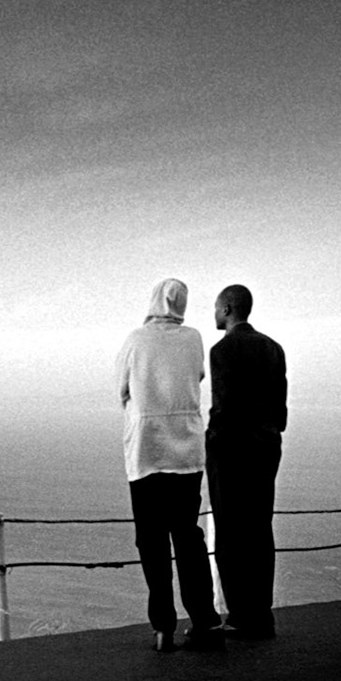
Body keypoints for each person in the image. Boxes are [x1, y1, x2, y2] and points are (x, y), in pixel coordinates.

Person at [116, 278, 223, 652]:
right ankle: (206, 619)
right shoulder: (194, 338)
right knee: (188, 536)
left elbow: (121, 388)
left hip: (146, 451)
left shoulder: (135, 339)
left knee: (152, 540)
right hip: (186, 450)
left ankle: (162, 626)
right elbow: (197, 377)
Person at [206, 284, 288, 638]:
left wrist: (211, 440)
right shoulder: (274, 348)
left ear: (226, 308)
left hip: (231, 448)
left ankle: (239, 614)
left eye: (215, 307)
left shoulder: (221, 350)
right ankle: (261, 612)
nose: (214, 314)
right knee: (259, 526)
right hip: (267, 445)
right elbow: (281, 406)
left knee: (228, 530)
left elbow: (222, 404)